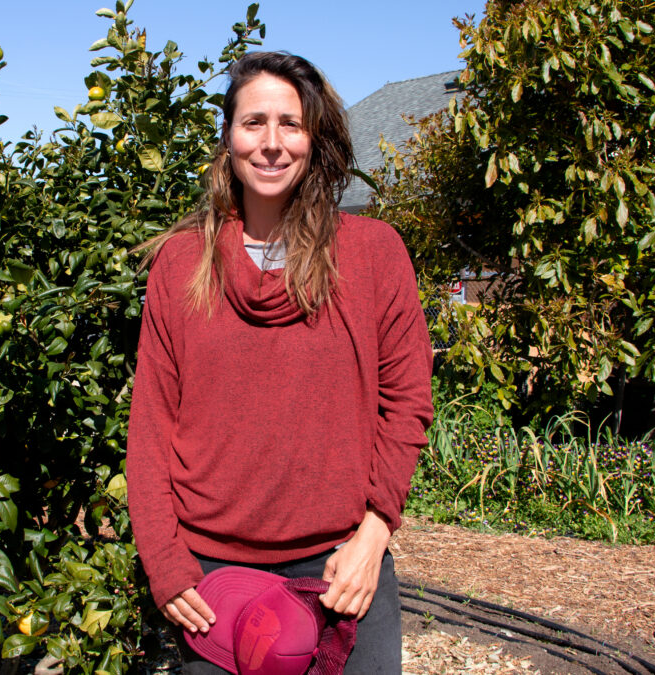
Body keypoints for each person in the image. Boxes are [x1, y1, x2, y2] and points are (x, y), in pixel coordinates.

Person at [126, 51, 433, 674]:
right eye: (253, 122)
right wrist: (163, 560)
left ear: (313, 137)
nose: (271, 143)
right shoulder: (182, 265)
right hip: (215, 585)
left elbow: (406, 403)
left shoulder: (373, 255)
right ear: (228, 140)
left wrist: (374, 536)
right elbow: (151, 425)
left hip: (341, 567)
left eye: (290, 124)